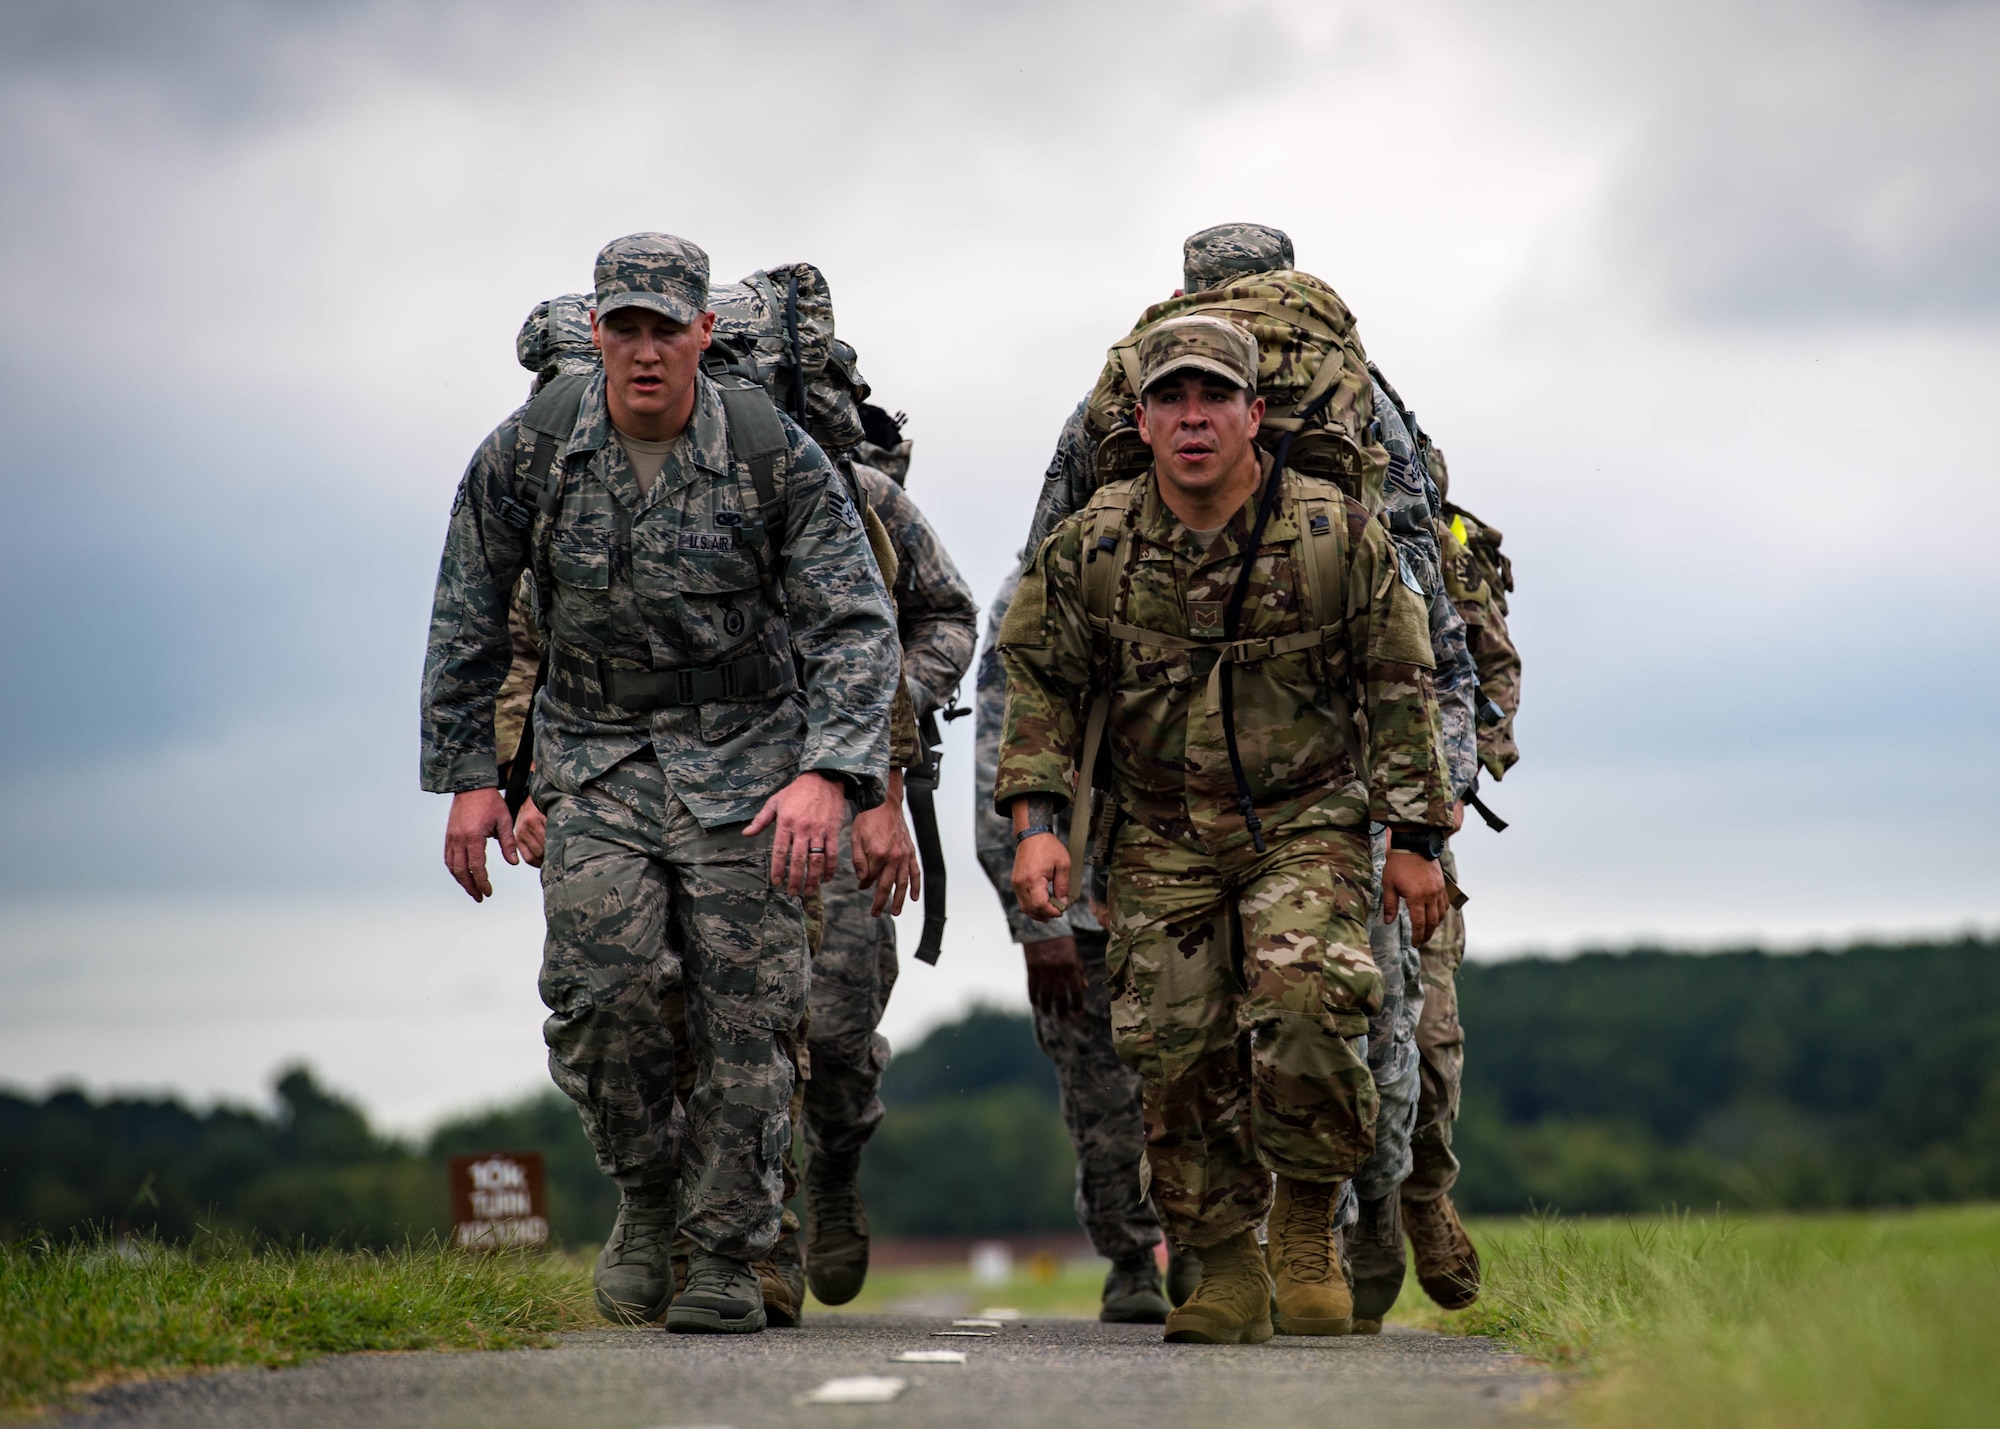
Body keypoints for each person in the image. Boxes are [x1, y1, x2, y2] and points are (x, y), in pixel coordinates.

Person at [421, 233, 899, 1335]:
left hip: (749, 761)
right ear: (594, 333)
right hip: (591, 754)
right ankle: (645, 1198)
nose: (643, 350)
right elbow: (466, 611)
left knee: (751, 1014)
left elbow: (852, 622)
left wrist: (833, 774)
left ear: (703, 335)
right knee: (602, 998)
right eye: (621, 327)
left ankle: (729, 1251)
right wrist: (471, 778)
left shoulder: (774, 452)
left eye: (663, 329)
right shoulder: (531, 451)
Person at [997, 315, 1455, 1344]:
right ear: (1142, 418)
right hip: (1158, 828)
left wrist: (1415, 840)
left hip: (1307, 816)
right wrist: (1036, 826)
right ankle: (1222, 1260)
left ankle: (1302, 1222)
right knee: (1171, 1047)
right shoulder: (1093, 546)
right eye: (1170, 400)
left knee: (1306, 1004)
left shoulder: (1333, 533)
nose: (1191, 418)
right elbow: (1041, 690)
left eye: (1213, 399)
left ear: (1254, 414)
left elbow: (1398, 685)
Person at [972, 561, 1195, 1323]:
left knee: (1206, 1074)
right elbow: (999, 759)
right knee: (1101, 1094)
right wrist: (1038, 925)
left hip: (1198, 872)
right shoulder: (1044, 586)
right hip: (1080, 891)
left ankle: (1207, 1241)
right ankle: (1131, 1256)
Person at [798, 393, 979, 1307]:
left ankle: (831, 1169)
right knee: (682, 1021)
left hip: (844, 789)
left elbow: (949, 615)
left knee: (833, 1029)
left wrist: (878, 728)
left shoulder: (859, 494)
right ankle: (720, 1237)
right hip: (687, 781)